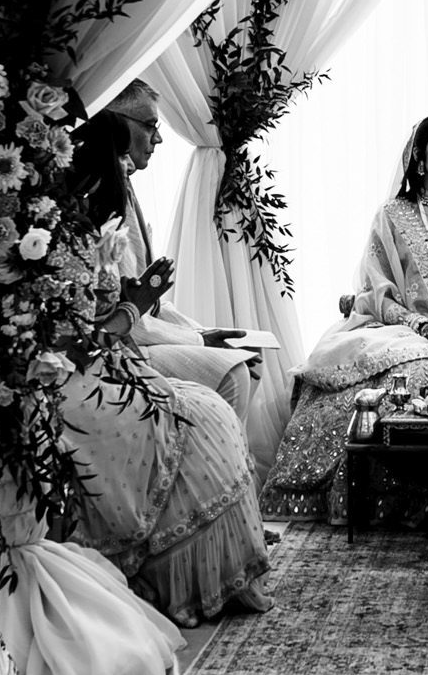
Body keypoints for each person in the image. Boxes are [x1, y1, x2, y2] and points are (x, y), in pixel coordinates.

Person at [45, 98, 273, 627]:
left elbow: (127, 301)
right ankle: (184, 560)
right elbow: (91, 333)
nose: (126, 171)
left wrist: (156, 308)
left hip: (114, 356)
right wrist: (135, 302)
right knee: (216, 400)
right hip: (96, 367)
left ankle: (228, 543)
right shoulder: (73, 237)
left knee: (224, 393)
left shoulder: (89, 229)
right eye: (147, 129)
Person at [263, 113, 428, 523]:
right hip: (401, 329)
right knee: (367, 389)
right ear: (419, 157)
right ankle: (373, 501)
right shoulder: (392, 215)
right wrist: (415, 323)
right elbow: (375, 290)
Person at [88, 78, 290, 482]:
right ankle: (204, 493)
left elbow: (150, 301)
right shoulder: (101, 200)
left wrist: (203, 331)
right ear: (117, 124)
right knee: (234, 372)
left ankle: (219, 490)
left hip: (138, 332)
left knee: (249, 360)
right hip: (117, 349)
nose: (159, 138)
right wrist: (199, 340)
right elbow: (129, 314)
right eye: (150, 125)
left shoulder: (124, 188)